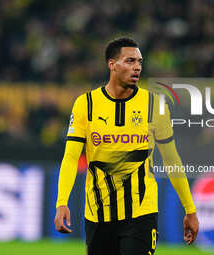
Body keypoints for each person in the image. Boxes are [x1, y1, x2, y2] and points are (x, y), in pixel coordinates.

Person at [54, 37, 199, 255]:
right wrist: (62, 202)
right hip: (97, 214)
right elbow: (71, 158)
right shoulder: (86, 104)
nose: (137, 67)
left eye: (140, 62)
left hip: (141, 213)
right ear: (112, 65)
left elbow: (172, 160)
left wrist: (190, 209)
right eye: (130, 61)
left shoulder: (154, 105)